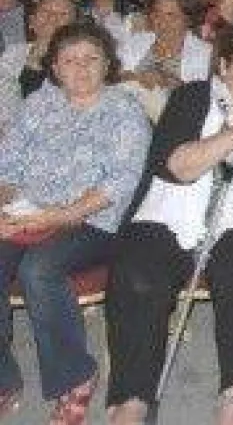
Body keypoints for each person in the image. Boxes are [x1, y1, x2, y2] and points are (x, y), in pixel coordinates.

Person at [104, 25, 233, 425]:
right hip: (172, 209)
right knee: (139, 271)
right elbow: (178, 168)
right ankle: (133, 397)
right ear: (224, 67)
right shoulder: (192, 97)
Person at [0, 22, 149, 421]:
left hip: (95, 220)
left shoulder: (124, 110)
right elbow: (7, 166)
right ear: (54, 68)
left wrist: (59, 215)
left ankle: (75, 376)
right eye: (70, 61)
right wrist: (4, 210)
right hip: (30, 212)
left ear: (108, 64)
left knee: (39, 269)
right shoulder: (37, 105)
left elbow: (118, 181)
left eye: (91, 60)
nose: (81, 69)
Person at [117, 0, 213, 122]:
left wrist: (167, 82)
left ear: (188, 19)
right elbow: (112, 77)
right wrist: (135, 77)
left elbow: (204, 101)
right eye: (157, 14)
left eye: (171, 16)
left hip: (175, 123)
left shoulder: (205, 53)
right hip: (126, 118)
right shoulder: (135, 42)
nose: (162, 22)